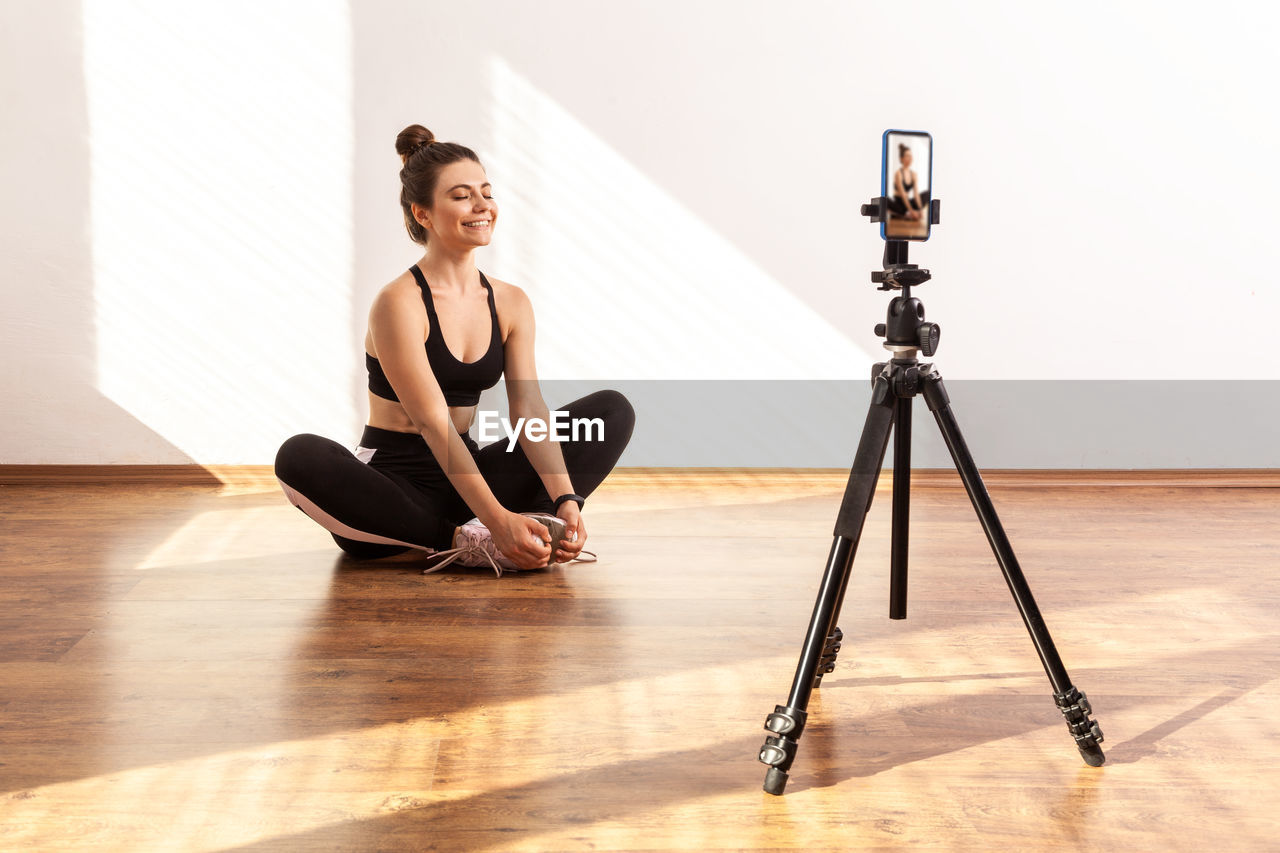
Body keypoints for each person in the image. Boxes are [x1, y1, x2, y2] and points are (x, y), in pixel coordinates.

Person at [275, 124, 635, 575]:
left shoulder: (511, 302)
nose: (482, 205)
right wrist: (495, 517)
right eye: (462, 195)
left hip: (468, 477)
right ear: (422, 214)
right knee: (299, 455)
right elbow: (431, 422)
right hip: (394, 488)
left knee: (610, 412)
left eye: (486, 192)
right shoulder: (398, 302)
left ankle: (533, 528)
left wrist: (564, 497)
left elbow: (528, 409)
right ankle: (461, 539)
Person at [886, 143, 930, 222]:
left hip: (907, 202)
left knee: (927, 193)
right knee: (885, 200)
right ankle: (903, 213)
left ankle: (902, 214)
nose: (910, 158)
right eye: (907, 156)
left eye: (911, 155)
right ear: (901, 159)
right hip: (899, 202)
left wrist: (920, 210)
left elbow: (916, 194)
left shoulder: (913, 174)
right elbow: (903, 194)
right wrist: (912, 211)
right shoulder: (898, 174)